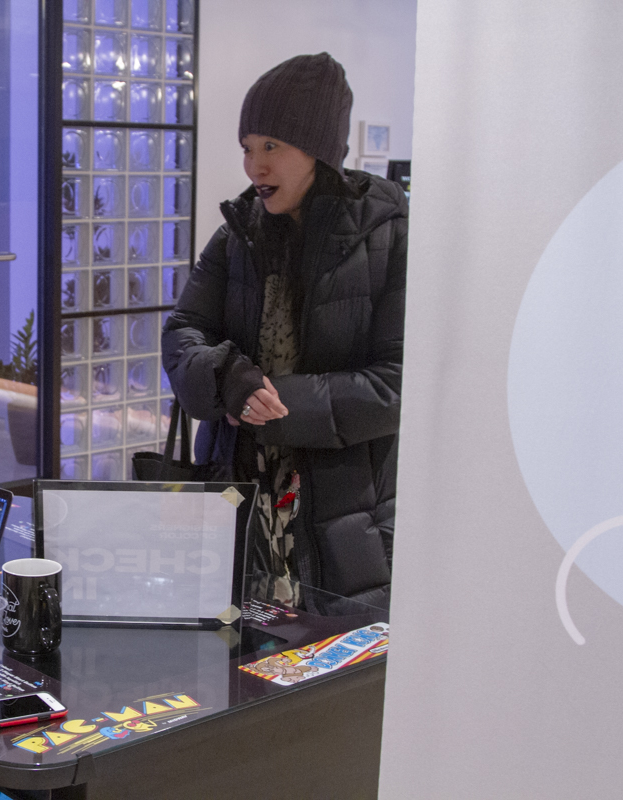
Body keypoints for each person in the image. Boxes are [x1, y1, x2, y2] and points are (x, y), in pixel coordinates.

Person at [162, 53, 407, 605]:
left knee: (338, 682)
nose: (255, 166)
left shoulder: (389, 237)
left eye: (272, 147)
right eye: (248, 148)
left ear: (318, 149)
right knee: (237, 668)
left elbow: (396, 385)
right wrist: (227, 375)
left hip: (347, 518)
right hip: (236, 499)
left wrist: (272, 403)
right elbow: (181, 336)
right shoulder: (238, 234)